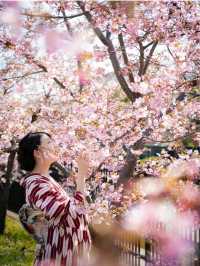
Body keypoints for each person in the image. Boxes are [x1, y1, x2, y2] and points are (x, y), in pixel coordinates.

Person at [17, 132, 91, 266]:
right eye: (49, 143)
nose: (55, 146)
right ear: (37, 152)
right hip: (59, 256)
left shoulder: (46, 180)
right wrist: (81, 176)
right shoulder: (36, 184)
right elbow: (74, 215)